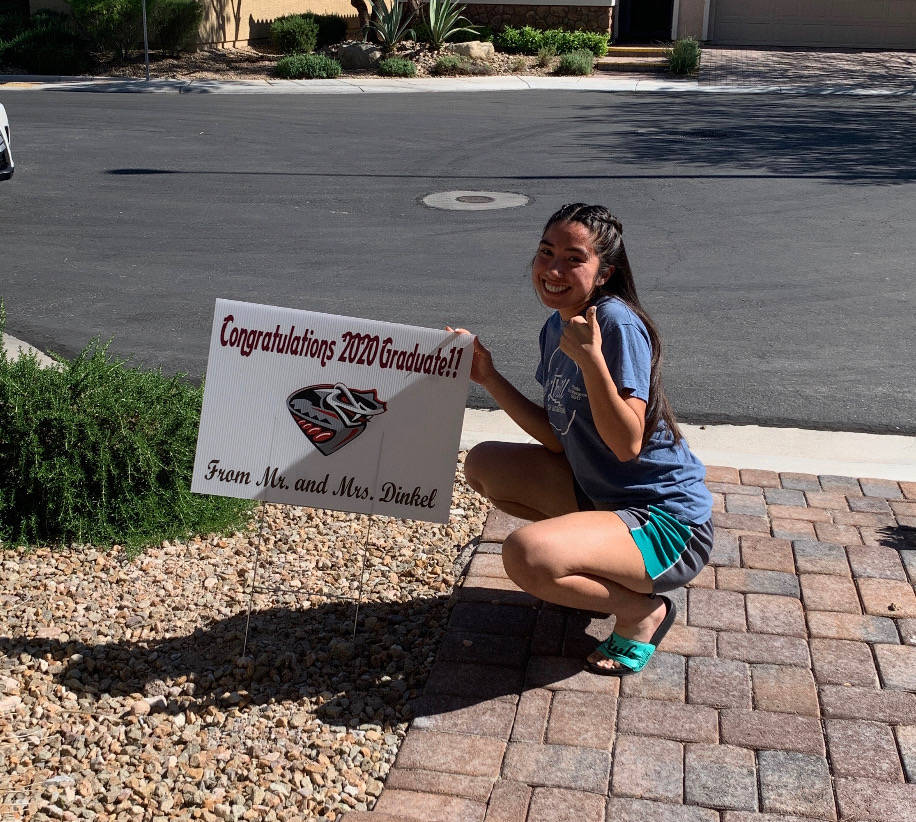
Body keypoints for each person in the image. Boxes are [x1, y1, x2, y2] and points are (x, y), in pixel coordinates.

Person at [449, 203, 713, 676]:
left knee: (527, 555)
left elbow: (627, 444)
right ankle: (592, 566)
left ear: (605, 272)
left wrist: (592, 361)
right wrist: (488, 378)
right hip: (605, 497)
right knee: (486, 463)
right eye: (546, 252)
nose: (553, 269)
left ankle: (639, 612)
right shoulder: (557, 325)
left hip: (666, 522)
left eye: (574, 258)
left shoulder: (615, 325)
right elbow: (558, 438)